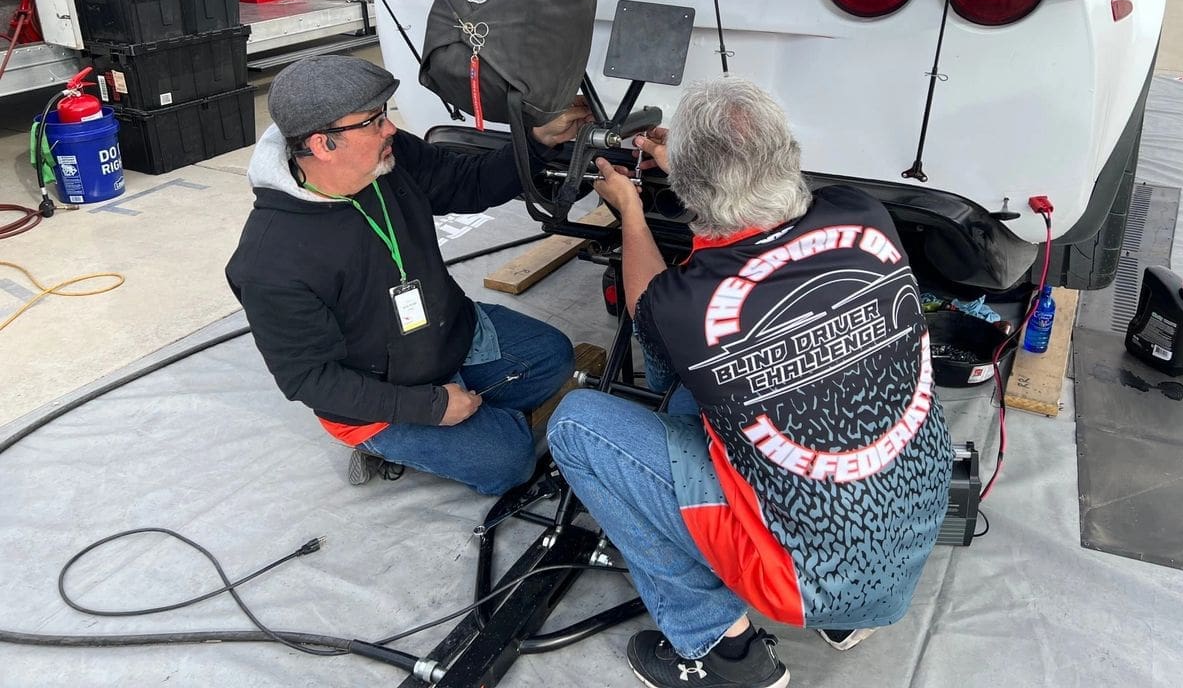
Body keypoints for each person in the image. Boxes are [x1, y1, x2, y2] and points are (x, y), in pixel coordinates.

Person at [547, 77, 952, 688]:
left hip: (792, 579)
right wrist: (688, 166)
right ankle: (844, 616)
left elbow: (648, 300)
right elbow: (760, 237)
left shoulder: (685, 310)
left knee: (576, 425)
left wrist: (630, 207)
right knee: (696, 387)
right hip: (911, 534)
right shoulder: (865, 214)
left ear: (689, 193)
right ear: (789, 155)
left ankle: (724, 655)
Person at [226, 55, 590, 496]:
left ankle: (463, 417)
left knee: (553, 358)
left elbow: (467, 182)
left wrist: (535, 142)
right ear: (323, 144)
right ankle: (397, 440)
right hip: (378, 392)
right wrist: (431, 406)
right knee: (508, 461)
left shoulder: (388, 159)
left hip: (448, 333)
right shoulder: (271, 262)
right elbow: (310, 379)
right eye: (374, 121)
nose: (390, 129)